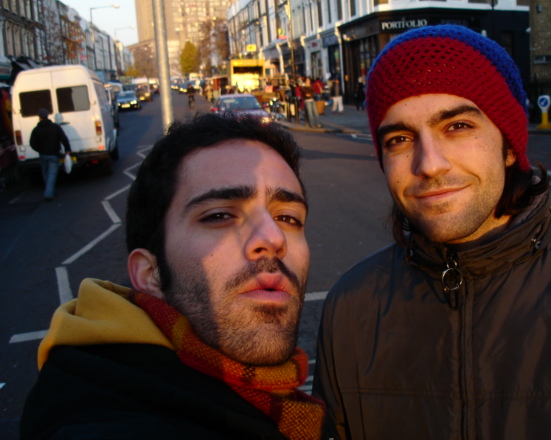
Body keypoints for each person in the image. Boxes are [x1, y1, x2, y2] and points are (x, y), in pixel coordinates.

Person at [312, 25, 551, 439]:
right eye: (399, 138)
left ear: (508, 145)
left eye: (458, 126)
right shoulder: (350, 309)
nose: (429, 163)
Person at [21, 114, 325, 440]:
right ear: (151, 273)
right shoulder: (104, 418)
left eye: (288, 218)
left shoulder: (292, 407)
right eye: (219, 215)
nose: (274, 237)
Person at [29, 108, 71, 201]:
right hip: (54, 154)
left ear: (39, 117)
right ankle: (48, 194)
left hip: (43, 155)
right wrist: (67, 149)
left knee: (46, 173)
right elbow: (64, 138)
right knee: (52, 174)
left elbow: (32, 143)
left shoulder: (36, 130)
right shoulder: (55, 127)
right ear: (47, 116)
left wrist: (39, 149)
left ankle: (51, 191)